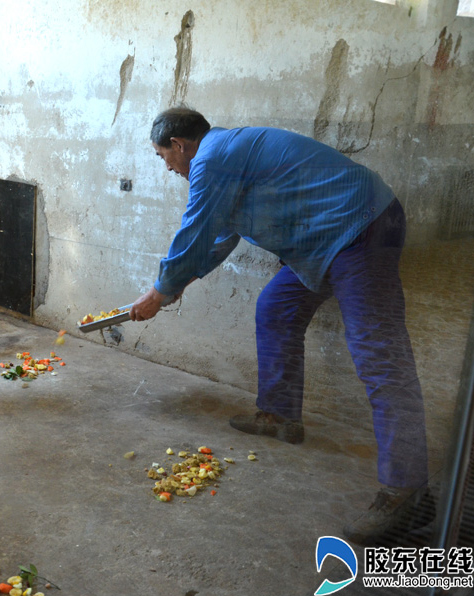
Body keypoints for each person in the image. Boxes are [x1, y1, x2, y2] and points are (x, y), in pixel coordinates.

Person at [131, 106, 431, 545]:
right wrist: (175, 286)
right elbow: (215, 240)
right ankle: (279, 415)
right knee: (276, 307)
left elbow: (194, 231)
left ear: (179, 145)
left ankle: (407, 491)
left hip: (360, 227)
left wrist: (159, 292)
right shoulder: (225, 160)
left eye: (163, 157)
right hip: (322, 241)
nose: (166, 167)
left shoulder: (212, 158)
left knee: (379, 354)